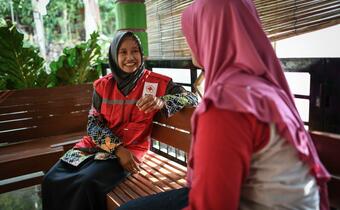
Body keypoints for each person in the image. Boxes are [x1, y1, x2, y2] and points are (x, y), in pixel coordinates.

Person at [117, 0, 330, 210]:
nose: (189, 43)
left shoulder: (227, 104)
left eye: (192, 34)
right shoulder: (264, 87)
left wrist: (161, 102)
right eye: (123, 52)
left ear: (209, 35)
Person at [41, 31, 198, 210]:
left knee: (85, 184)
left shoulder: (156, 83)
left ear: (142, 54)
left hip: (130, 153)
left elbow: (192, 99)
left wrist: (162, 101)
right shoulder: (102, 85)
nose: (130, 57)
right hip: (96, 147)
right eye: (123, 52)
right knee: (51, 179)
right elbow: (93, 125)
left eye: (135, 51)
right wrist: (117, 148)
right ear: (114, 56)